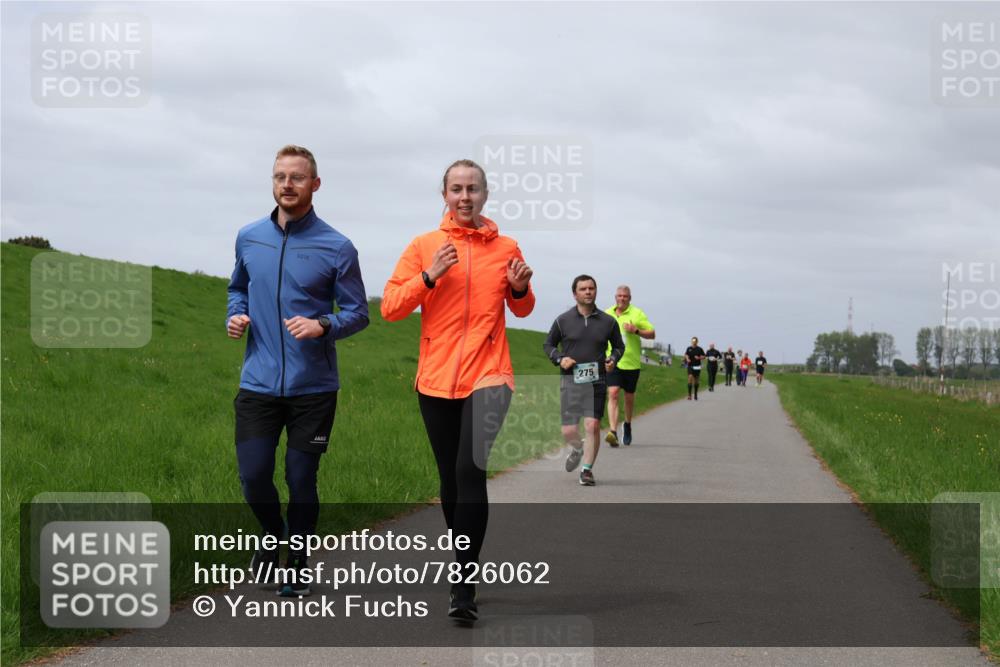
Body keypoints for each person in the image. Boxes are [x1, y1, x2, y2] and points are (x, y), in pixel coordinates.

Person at [381, 159, 534, 622]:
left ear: (485, 195)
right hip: (435, 377)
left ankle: (463, 584)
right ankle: (464, 561)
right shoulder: (424, 245)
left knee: (470, 471)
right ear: (443, 195)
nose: (464, 197)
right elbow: (389, 307)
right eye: (456, 189)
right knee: (449, 481)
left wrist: (521, 290)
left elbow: (522, 310)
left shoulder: (505, 245)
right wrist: (429, 276)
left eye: (473, 189)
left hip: (490, 373)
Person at [227, 145, 369, 597]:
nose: (287, 184)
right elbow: (238, 289)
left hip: (314, 387)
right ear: (272, 182)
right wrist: (237, 314)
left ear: (315, 184)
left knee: (301, 478)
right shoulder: (249, 237)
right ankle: (272, 537)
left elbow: (358, 313)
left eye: (297, 177)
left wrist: (322, 323)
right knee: (253, 476)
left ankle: (299, 561)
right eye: (279, 177)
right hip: (258, 382)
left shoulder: (337, 246)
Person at [543, 275, 625, 486]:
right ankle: (578, 449)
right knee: (569, 430)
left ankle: (587, 470)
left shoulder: (608, 322)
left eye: (591, 288)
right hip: (570, 381)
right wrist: (560, 359)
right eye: (583, 289)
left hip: (596, 380)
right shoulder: (563, 321)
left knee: (593, 425)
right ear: (575, 293)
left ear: (595, 292)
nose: (588, 292)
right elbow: (549, 345)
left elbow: (618, 347)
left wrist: (613, 359)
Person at [603, 286, 655, 446]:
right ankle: (613, 431)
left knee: (629, 397)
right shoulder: (607, 314)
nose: (622, 298)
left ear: (630, 298)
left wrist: (636, 330)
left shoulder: (637, 313)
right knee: (612, 393)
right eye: (619, 296)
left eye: (625, 296)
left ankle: (627, 424)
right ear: (615, 297)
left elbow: (652, 333)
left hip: (631, 363)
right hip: (612, 361)